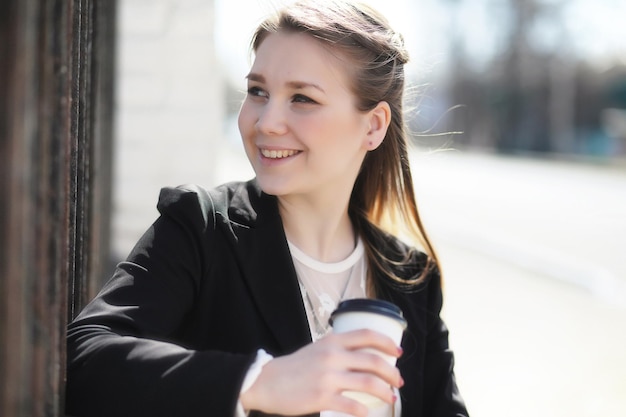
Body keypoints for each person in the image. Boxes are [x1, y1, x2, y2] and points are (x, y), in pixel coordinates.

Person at [65, 1, 469, 416]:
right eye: (258, 91)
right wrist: (259, 382)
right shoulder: (201, 229)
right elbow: (87, 359)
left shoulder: (411, 278)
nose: (266, 121)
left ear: (373, 125)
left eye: (302, 98)